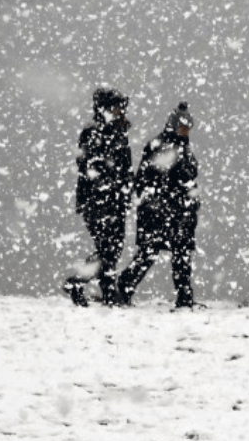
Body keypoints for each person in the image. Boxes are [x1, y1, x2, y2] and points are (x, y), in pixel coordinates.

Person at [111, 102, 200, 309]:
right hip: (160, 211)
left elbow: (183, 179)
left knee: (179, 254)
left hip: (177, 211)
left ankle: (184, 298)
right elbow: (147, 180)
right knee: (152, 253)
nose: (185, 132)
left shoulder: (179, 147)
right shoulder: (160, 146)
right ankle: (124, 287)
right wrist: (161, 202)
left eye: (187, 128)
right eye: (182, 127)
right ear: (174, 126)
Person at [63, 87, 133, 307]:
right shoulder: (93, 133)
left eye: (122, 107)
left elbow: (124, 167)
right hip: (98, 201)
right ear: (104, 108)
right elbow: (87, 166)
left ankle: (105, 291)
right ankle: (86, 285)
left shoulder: (119, 133)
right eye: (117, 107)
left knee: (113, 248)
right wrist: (108, 184)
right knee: (108, 249)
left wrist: (124, 189)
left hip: (115, 200)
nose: (121, 111)